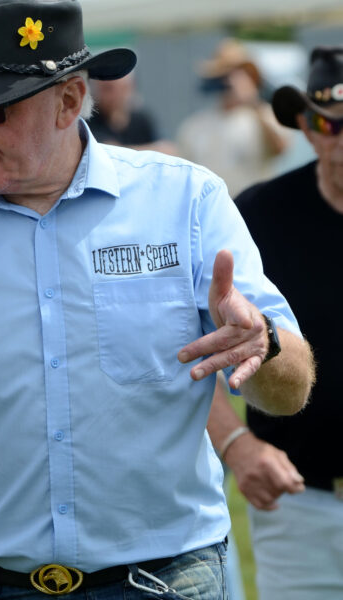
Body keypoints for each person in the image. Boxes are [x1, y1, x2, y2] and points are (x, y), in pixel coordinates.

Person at [0, 1, 316, 598]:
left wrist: (263, 339)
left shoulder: (186, 201)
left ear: (70, 101)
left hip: (164, 579)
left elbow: (289, 393)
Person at [207, 45, 343, 600]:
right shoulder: (256, 214)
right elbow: (176, 342)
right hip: (298, 501)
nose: (339, 136)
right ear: (305, 129)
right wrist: (236, 443)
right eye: (324, 122)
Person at [177, 38, 292, 197]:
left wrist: (252, 101)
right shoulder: (195, 125)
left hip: (254, 210)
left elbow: (281, 148)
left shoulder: (263, 115)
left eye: (237, 74)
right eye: (224, 75)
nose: (229, 82)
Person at [88, 72, 177, 154]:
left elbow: (168, 150)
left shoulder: (142, 119)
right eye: (108, 89)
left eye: (123, 88)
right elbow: (108, 152)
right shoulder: (90, 121)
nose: (115, 95)